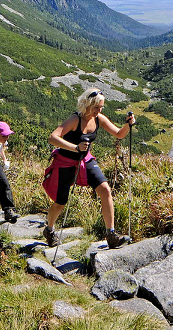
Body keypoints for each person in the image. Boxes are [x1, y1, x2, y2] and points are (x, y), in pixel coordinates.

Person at [43, 87, 134, 249]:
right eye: (96, 107)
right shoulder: (74, 120)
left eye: (101, 108)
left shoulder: (98, 118)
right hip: (65, 162)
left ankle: (111, 234)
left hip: (85, 160)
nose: (99, 111)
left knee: (105, 190)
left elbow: (119, 134)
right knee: (60, 202)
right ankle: (49, 230)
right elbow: (52, 138)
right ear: (86, 105)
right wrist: (75, 147)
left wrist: (128, 125)